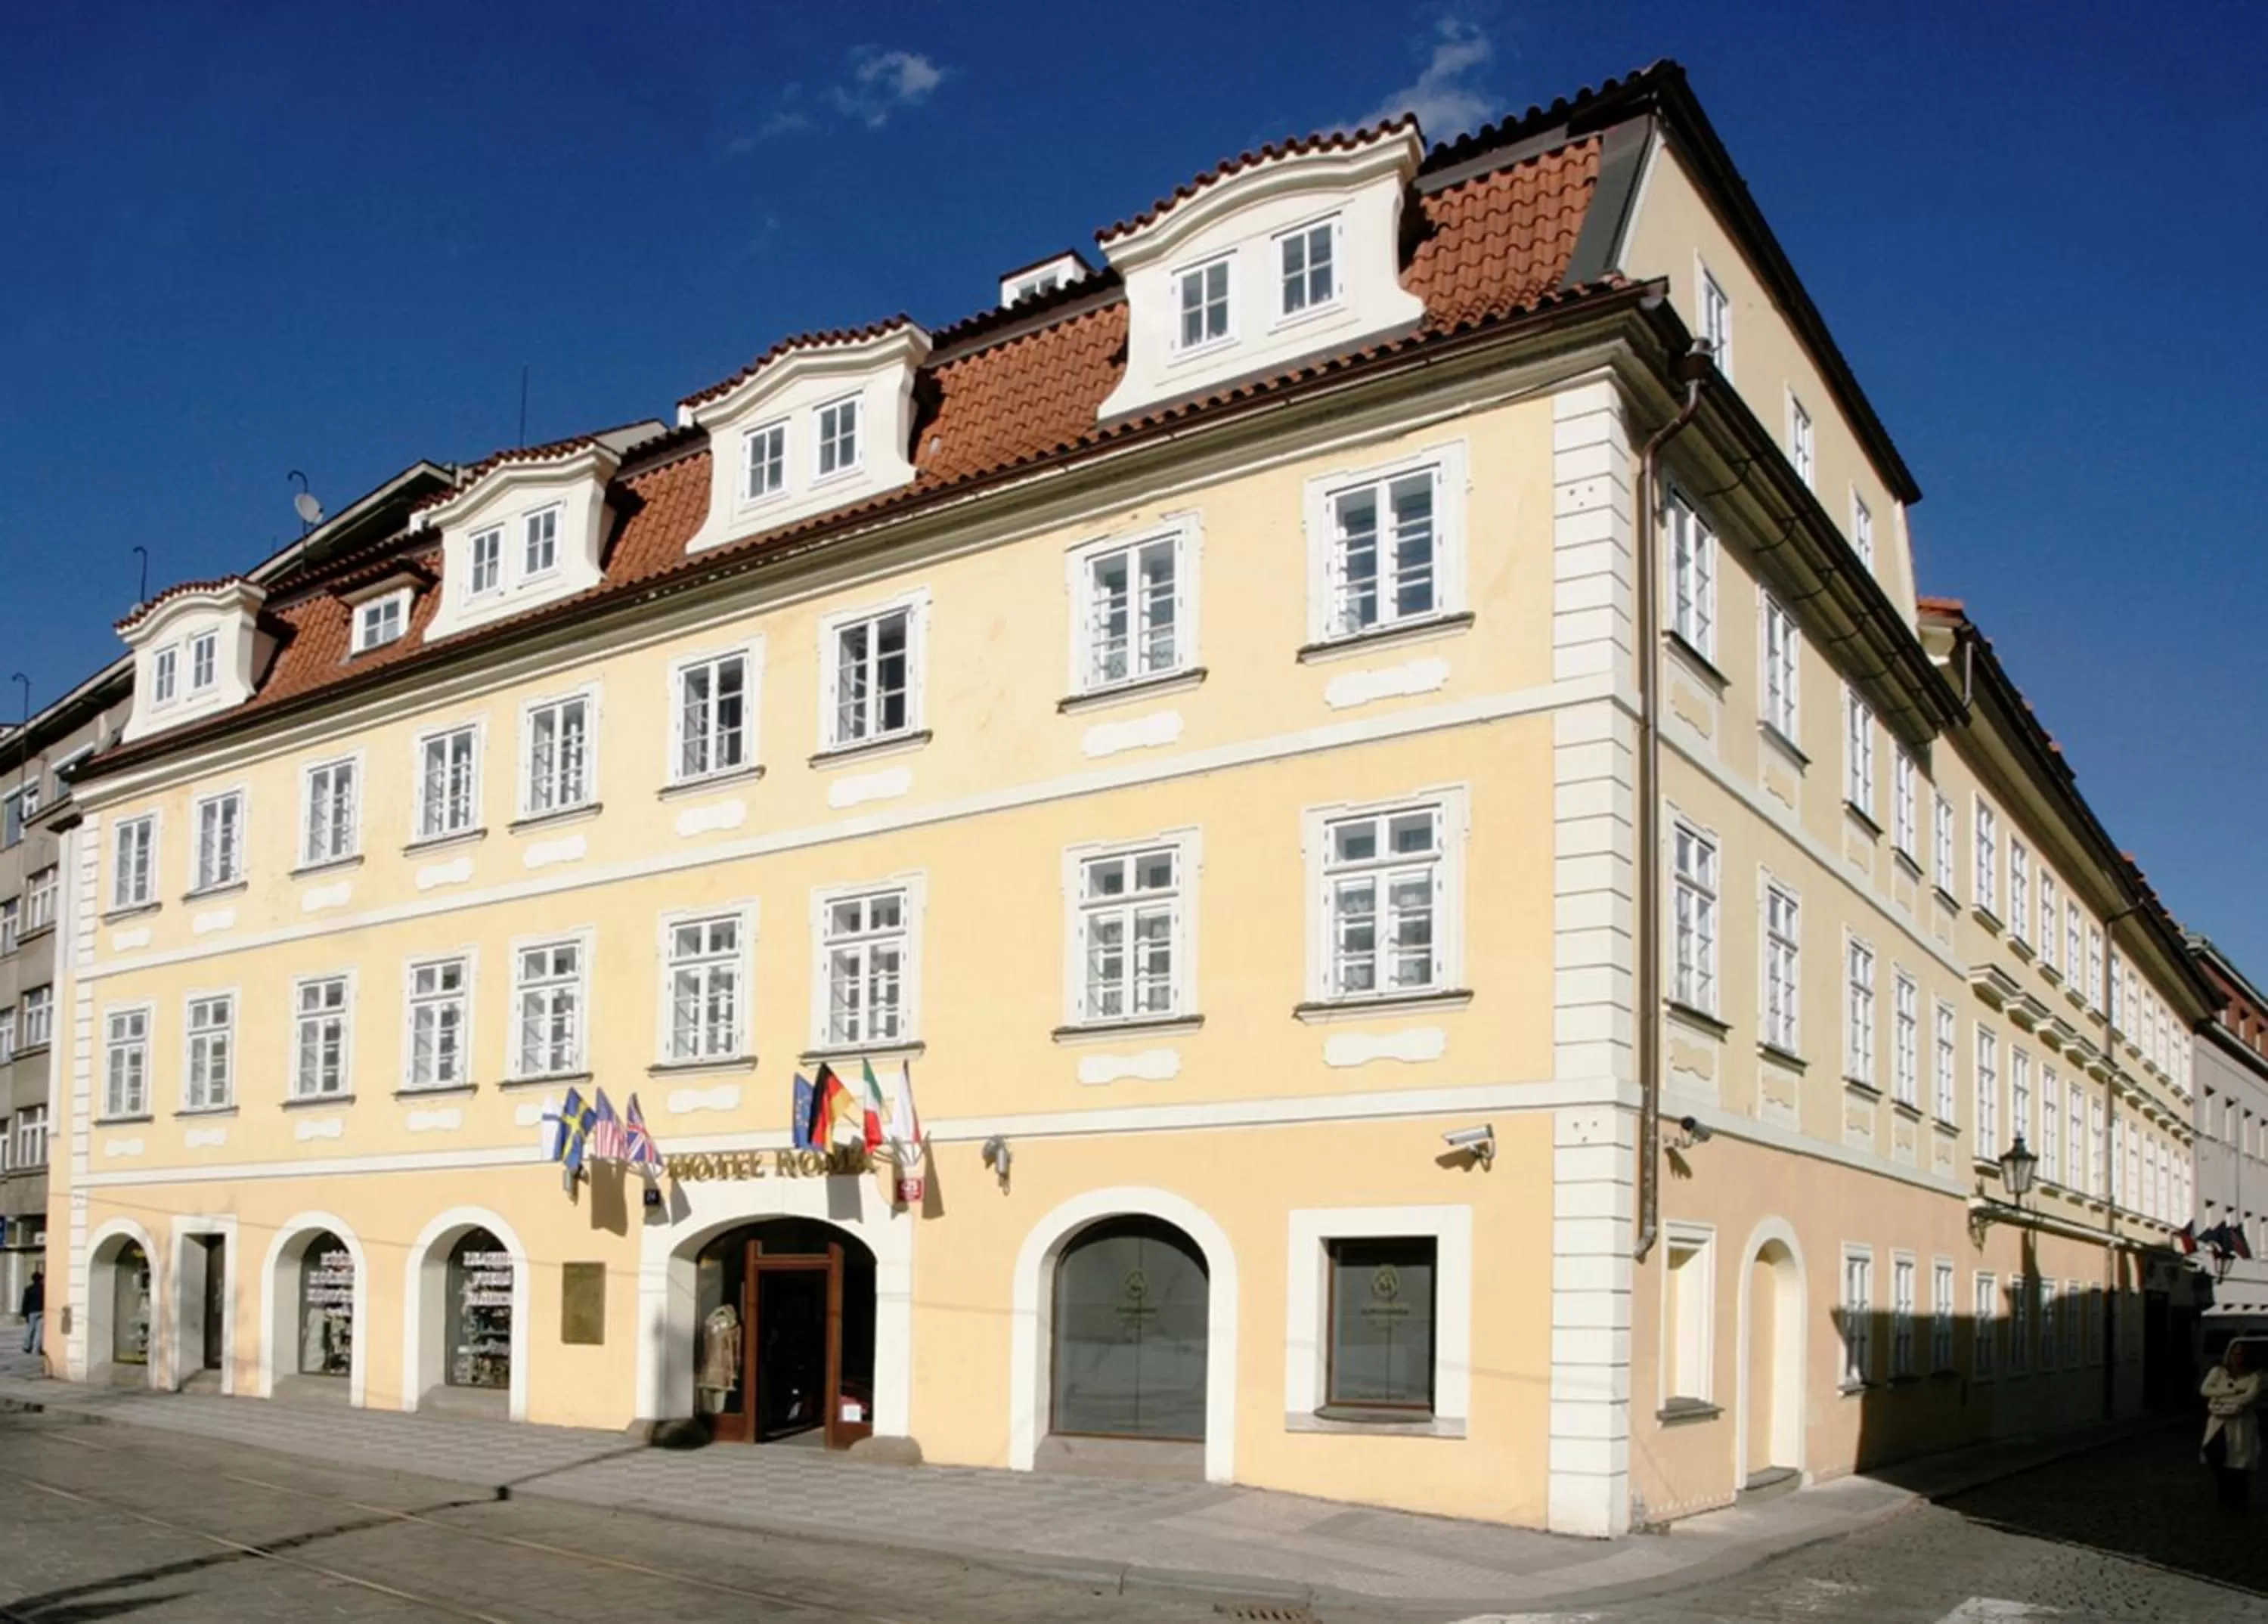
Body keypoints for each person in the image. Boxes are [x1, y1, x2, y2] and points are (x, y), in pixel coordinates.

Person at [2201, 1340, 2262, 1508]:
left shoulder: (2254, 1377)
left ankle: (2237, 1501)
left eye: (2241, 1354)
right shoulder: (2218, 1372)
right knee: (2215, 1455)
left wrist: (2220, 1398)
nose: (2237, 1358)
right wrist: (2233, 1392)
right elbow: (2205, 1390)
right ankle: (2224, 1492)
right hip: (2218, 1424)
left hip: (2241, 1425)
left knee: (2239, 1462)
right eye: (2234, 1354)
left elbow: (2248, 1398)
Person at [18, 1269, 42, 1356]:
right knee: (39, 1331)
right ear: (41, 1279)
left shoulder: (28, 1289)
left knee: (30, 1330)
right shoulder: (44, 1289)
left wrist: (24, 1313)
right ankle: (37, 1348)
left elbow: (25, 1302)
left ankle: (27, 1346)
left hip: (32, 1312)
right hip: (41, 1312)